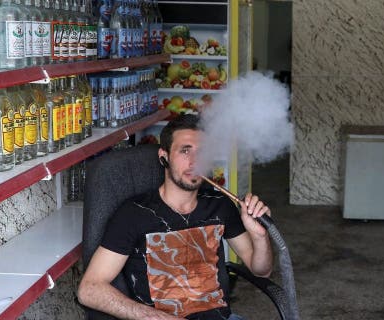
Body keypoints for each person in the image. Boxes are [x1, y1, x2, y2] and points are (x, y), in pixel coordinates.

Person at [77, 114, 273, 320]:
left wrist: (259, 235)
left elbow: (261, 271)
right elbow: (89, 289)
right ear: (164, 156)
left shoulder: (221, 205)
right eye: (185, 151)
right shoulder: (134, 213)